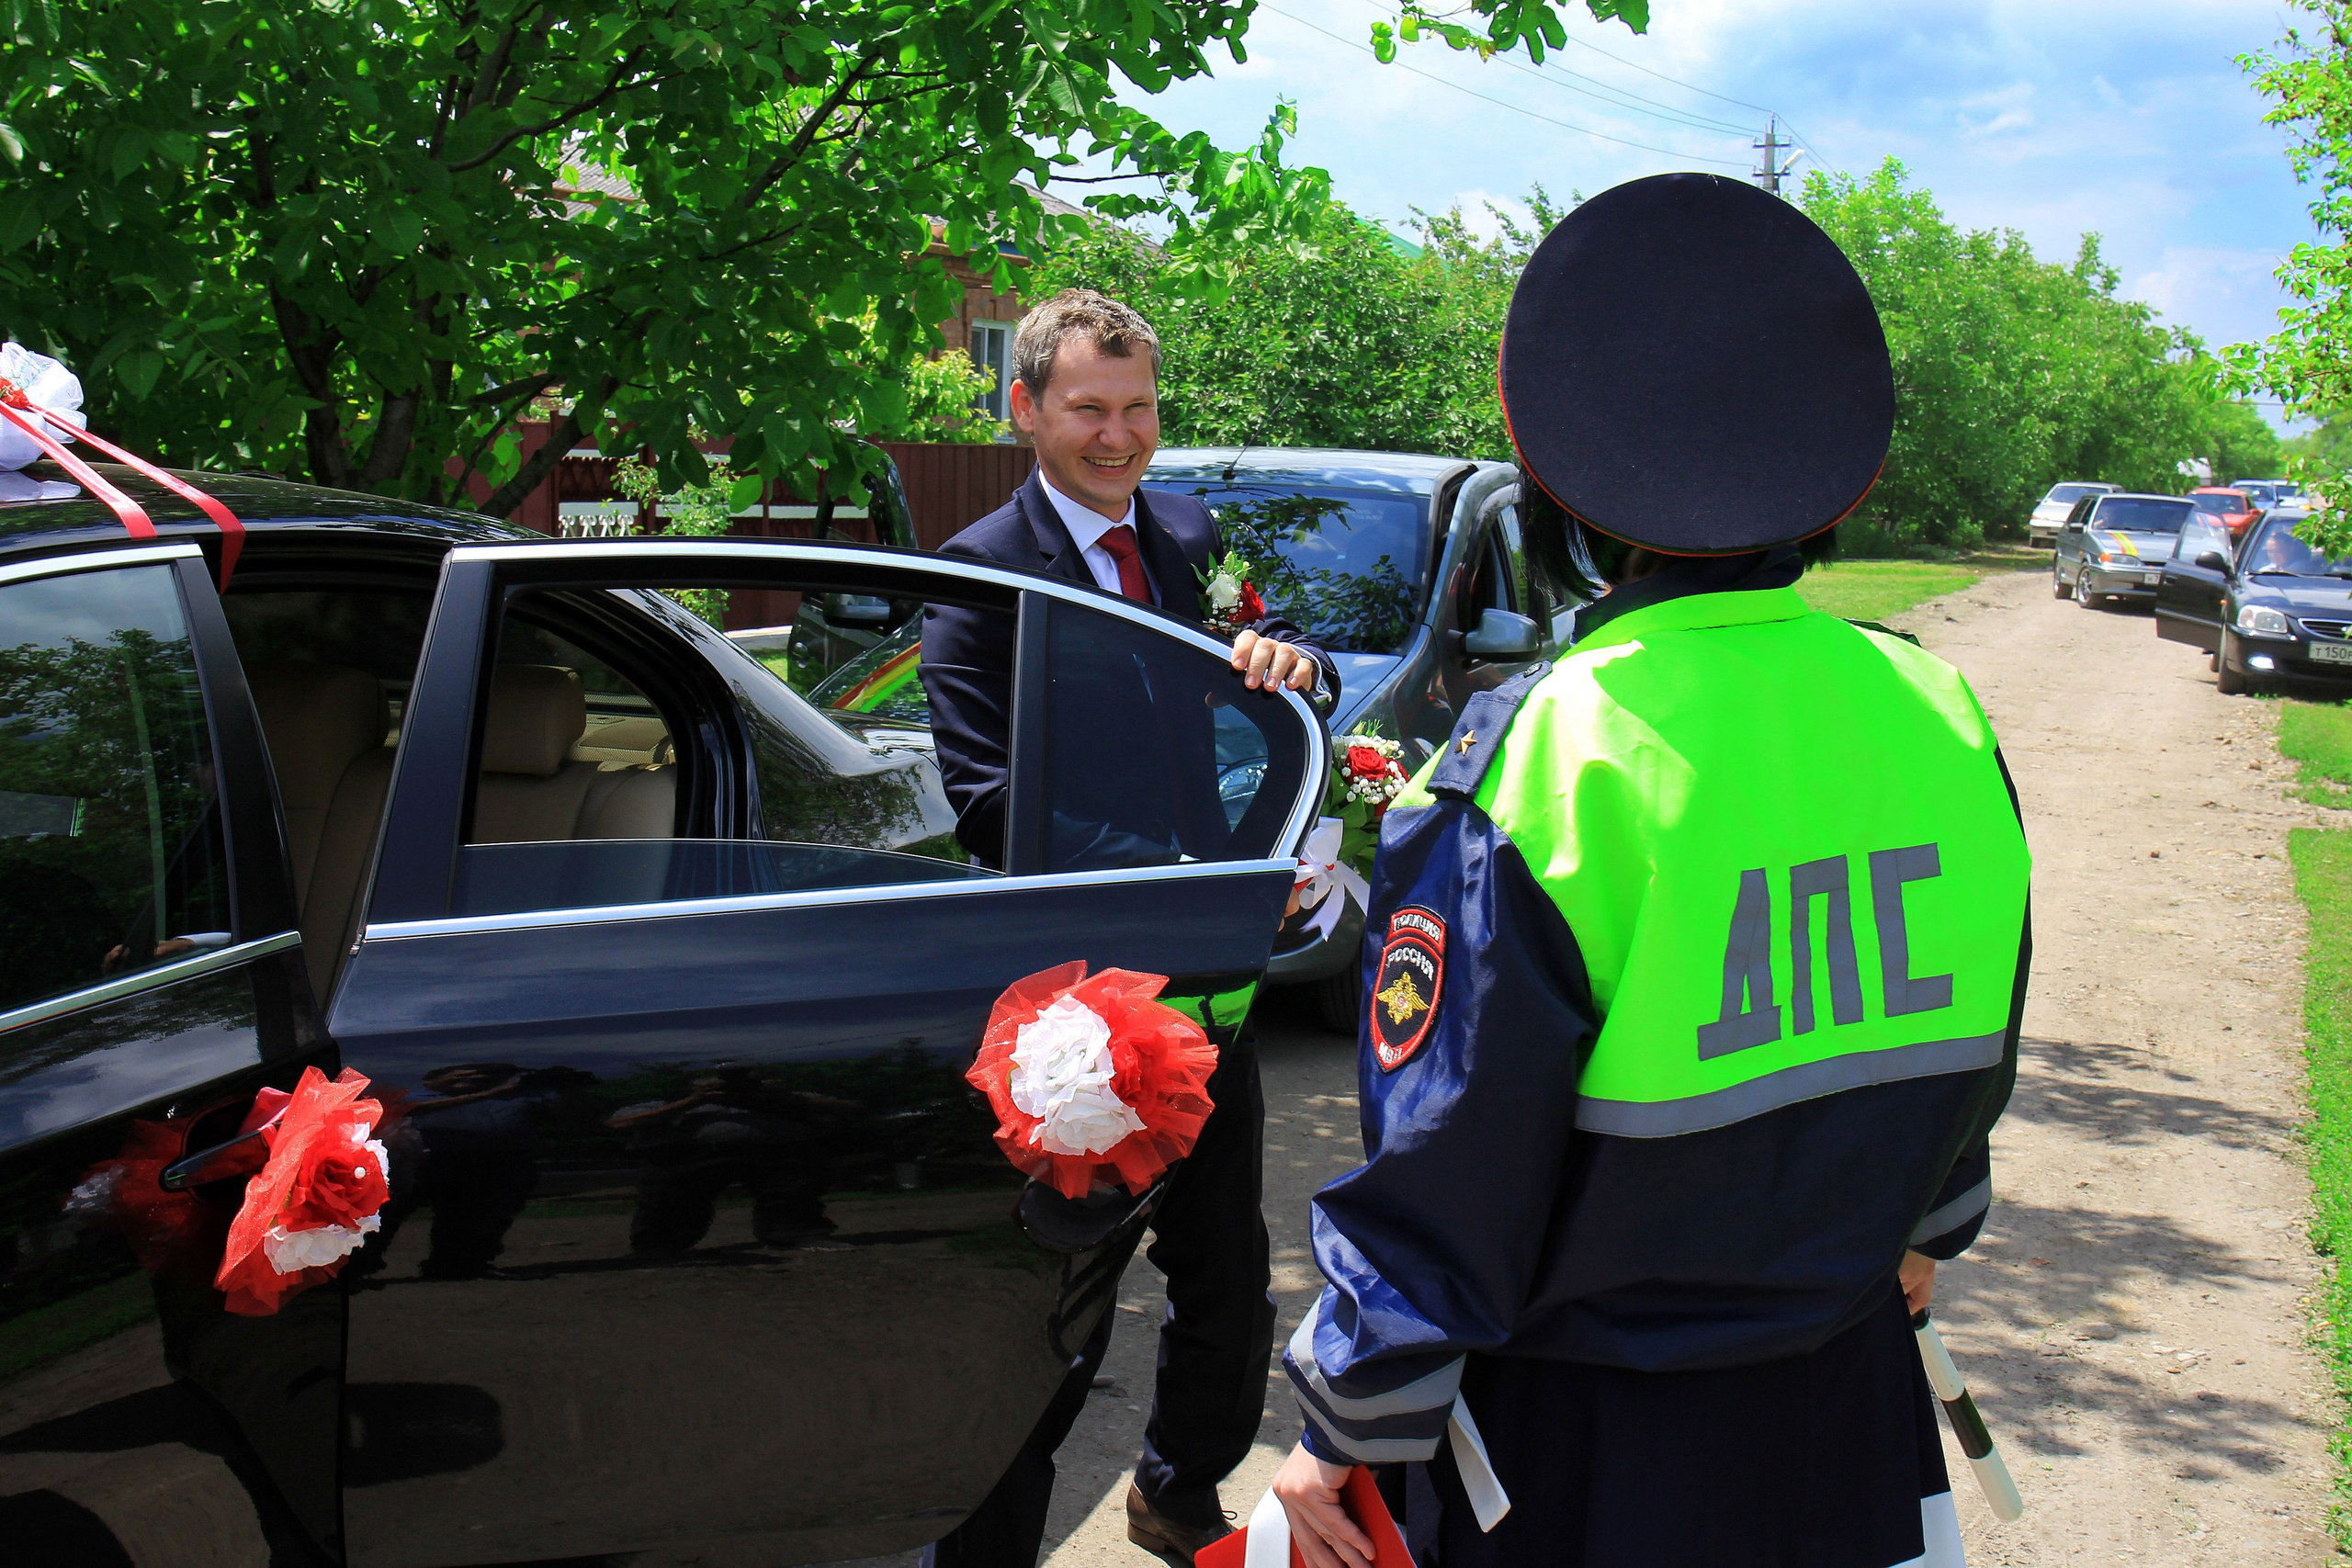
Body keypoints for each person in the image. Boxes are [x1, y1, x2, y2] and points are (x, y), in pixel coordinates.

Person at [1269, 173, 2033, 1568]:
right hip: (1851, 1409)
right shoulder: (1941, 712)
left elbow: (1455, 1157)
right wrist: (1929, 1222)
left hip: (1594, 1452)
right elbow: (1976, 1026)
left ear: (1562, 493)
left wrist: (1348, 1421)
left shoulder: (1543, 753)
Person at [919, 288, 1339, 1568]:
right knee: (1059, 1310)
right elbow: (989, 803)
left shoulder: (1187, 532)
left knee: (1227, 1277)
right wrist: (1185, 879)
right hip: (1072, 1012)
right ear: (1026, 407)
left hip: (1206, 982)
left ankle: (1176, 1488)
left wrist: (1293, 664)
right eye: (1089, 409)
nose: (1118, 436)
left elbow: (1263, 657)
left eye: (1139, 407)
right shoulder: (979, 574)